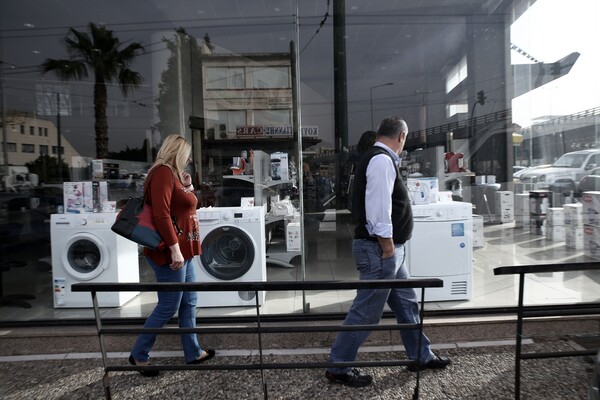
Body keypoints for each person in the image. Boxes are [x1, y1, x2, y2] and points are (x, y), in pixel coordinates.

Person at [325, 116, 450, 388]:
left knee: (406, 305)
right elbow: (378, 207)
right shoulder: (381, 160)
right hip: (381, 250)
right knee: (367, 311)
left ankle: (421, 356)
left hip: (387, 250)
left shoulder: (378, 158)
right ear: (401, 137)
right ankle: (338, 366)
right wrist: (388, 245)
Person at [129, 134, 215, 376]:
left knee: (189, 302)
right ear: (177, 152)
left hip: (182, 251)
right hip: (170, 253)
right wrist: (175, 248)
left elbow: (184, 206)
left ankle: (193, 352)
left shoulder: (173, 175)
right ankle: (139, 355)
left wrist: (187, 187)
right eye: (186, 154)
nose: (187, 159)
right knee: (168, 307)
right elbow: (161, 215)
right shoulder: (163, 173)